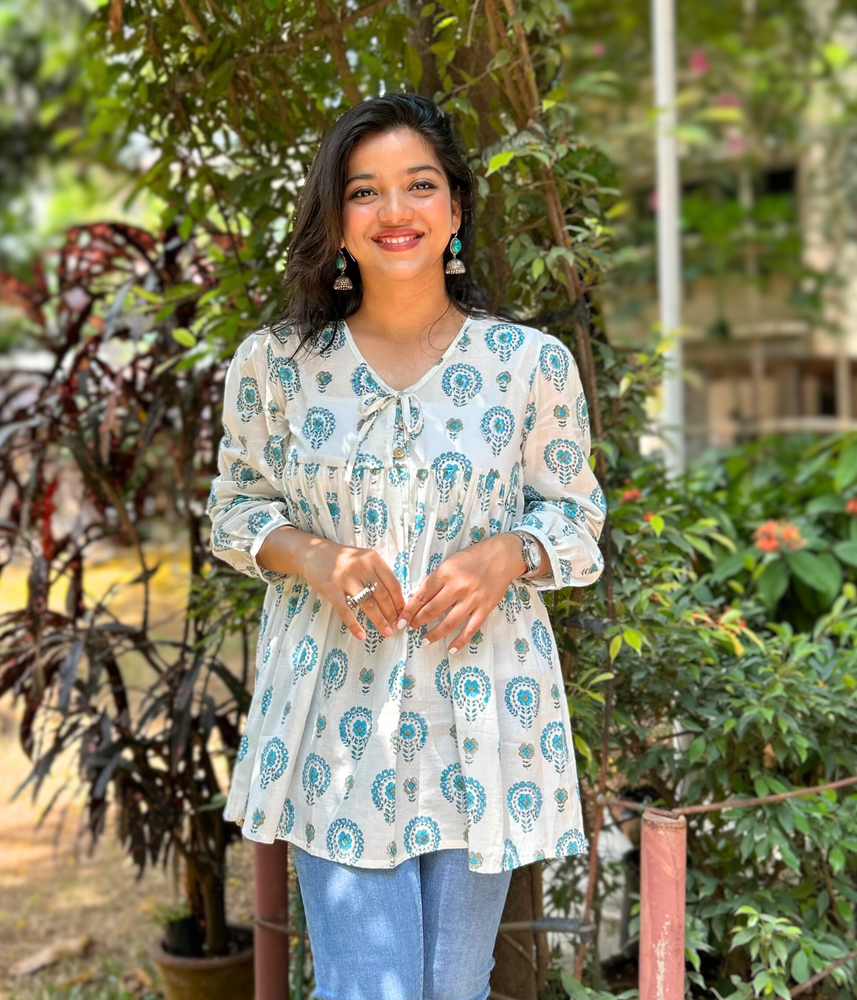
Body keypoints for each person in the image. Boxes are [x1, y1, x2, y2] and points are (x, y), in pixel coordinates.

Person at [207, 91, 607, 1000]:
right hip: (333, 717)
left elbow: (578, 524)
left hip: (484, 719)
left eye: (419, 186)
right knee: (365, 991)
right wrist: (314, 556)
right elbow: (234, 510)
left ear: (456, 210)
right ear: (336, 218)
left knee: (454, 988)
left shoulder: (530, 365)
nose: (396, 212)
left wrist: (508, 551)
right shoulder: (274, 367)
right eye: (365, 191)